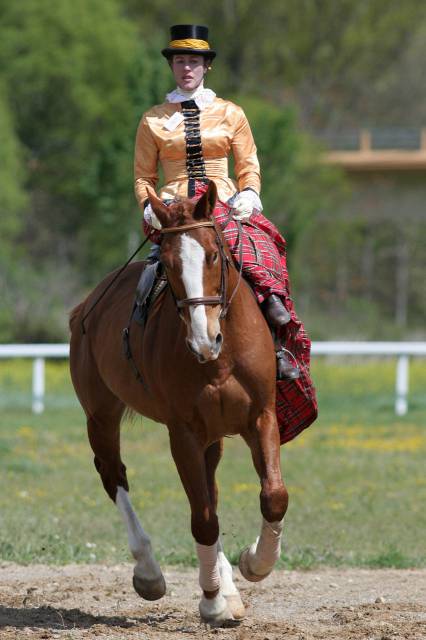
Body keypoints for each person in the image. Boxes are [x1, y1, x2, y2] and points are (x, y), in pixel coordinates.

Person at [134, 24, 300, 380]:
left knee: (258, 246)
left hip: (221, 200)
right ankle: (137, 336)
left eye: (193, 61)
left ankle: (276, 337)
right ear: (172, 66)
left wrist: (250, 193)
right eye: (180, 61)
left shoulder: (231, 113)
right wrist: (148, 204)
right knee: (153, 271)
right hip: (174, 207)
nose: (187, 68)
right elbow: (143, 177)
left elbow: (248, 165)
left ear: (206, 65)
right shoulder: (152, 119)